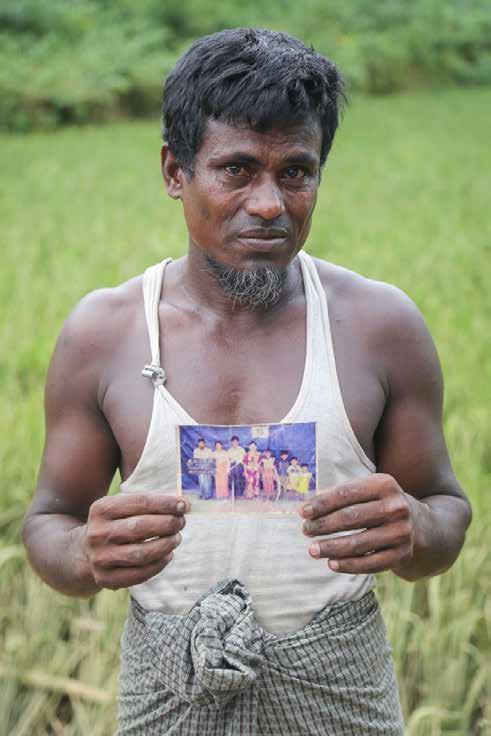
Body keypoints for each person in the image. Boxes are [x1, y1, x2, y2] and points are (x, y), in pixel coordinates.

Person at [21, 27, 472, 736]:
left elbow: (445, 511)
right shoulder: (104, 334)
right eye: (236, 169)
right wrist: (81, 553)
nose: (269, 203)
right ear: (175, 171)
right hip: (168, 693)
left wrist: (415, 529)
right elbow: (48, 520)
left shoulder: (378, 326)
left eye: (295, 171)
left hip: (339, 693)